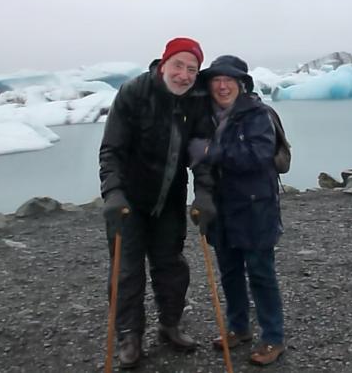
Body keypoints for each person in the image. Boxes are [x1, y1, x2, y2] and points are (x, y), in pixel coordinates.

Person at [99, 37, 216, 369]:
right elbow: (112, 150)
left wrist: (204, 194)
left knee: (171, 266)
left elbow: (201, 154)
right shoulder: (135, 93)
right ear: (163, 64)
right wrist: (113, 193)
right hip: (129, 200)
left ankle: (170, 325)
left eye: (191, 69)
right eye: (178, 65)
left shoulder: (196, 101)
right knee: (126, 271)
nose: (183, 75)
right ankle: (129, 335)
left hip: (169, 199)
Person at [190, 55, 286, 366]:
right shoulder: (204, 116)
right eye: (217, 80)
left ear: (241, 84)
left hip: (256, 206)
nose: (222, 85)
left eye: (228, 80)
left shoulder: (257, 114)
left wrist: (211, 151)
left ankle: (273, 337)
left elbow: (258, 155)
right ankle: (239, 328)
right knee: (230, 271)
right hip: (222, 207)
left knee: (260, 272)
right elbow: (195, 161)